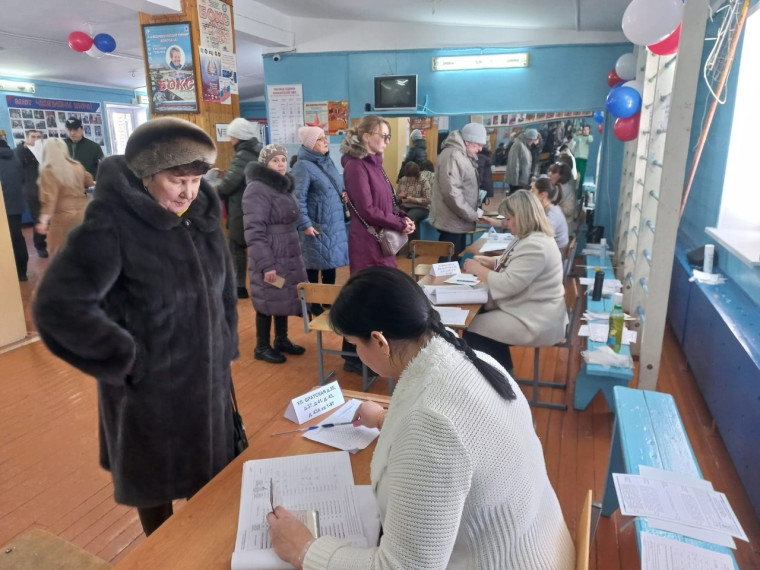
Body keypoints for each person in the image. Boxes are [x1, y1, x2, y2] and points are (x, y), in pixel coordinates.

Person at [266, 266, 575, 570]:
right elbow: (463, 442)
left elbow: (404, 567)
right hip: (538, 545)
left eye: (356, 344)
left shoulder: (432, 422)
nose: (358, 353)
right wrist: (385, 419)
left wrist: (305, 550)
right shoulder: (474, 358)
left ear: (380, 341)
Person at [32, 117, 239, 537]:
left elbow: (222, 290)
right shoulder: (112, 224)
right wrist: (122, 357)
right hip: (150, 394)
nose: (188, 192)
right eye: (177, 180)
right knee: (156, 498)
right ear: (147, 174)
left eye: (196, 180)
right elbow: (58, 305)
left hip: (208, 385)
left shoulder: (200, 216)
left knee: (211, 500)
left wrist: (223, 347)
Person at [339, 115, 415, 375]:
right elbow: (368, 210)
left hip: (380, 241)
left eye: (388, 136)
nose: (386, 140)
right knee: (364, 297)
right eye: (382, 135)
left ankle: (369, 353)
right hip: (367, 243)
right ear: (364, 136)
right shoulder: (356, 166)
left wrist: (403, 217)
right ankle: (353, 355)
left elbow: (388, 202)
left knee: (378, 297)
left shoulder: (376, 164)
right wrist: (397, 223)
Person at [463, 190, 567, 375]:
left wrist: (477, 269)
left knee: (473, 330)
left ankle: (503, 382)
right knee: (483, 324)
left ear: (522, 217)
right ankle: (504, 376)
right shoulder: (530, 238)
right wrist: (489, 262)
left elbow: (508, 283)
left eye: (509, 219)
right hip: (533, 309)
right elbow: (516, 266)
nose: (507, 224)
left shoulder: (535, 245)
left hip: (537, 319)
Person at [242, 143, 307, 364]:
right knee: (267, 299)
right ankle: (261, 346)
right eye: (274, 160)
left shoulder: (283, 186)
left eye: (282, 159)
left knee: (282, 295)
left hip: (286, 250)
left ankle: (281, 339)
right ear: (265, 163)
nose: (280, 164)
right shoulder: (257, 189)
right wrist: (266, 264)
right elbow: (254, 231)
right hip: (270, 252)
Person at [292, 126, 349, 317]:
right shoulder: (302, 166)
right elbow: (297, 198)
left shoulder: (327, 162)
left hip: (332, 221)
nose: (326, 142)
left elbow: (337, 184)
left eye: (325, 138)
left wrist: (344, 193)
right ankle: (313, 302)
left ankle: (328, 298)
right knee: (313, 265)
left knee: (329, 263)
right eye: (321, 139)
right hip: (316, 224)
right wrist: (305, 223)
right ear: (310, 144)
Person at [216, 117, 263, 299]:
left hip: (241, 208)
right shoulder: (259, 150)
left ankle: (239, 286)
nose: (230, 141)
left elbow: (230, 184)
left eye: (232, 137)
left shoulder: (243, 154)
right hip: (258, 205)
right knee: (258, 245)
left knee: (236, 245)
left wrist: (214, 194)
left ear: (239, 137)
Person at [429, 122, 485, 256]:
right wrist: (472, 214)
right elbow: (452, 193)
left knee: (455, 261)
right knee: (448, 265)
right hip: (452, 221)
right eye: (478, 145)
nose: (480, 149)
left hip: (458, 220)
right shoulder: (453, 155)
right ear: (467, 142)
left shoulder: (462, 154)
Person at [35, 138, 94, 256]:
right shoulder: (77, 166)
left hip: (62, 219)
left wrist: (43, 221)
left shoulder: (48, 171)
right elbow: (90, 181)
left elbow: (49, 200)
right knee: (83, 250)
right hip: (83, 214)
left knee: (59, 254)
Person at [14, 129, 48, 257]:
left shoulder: (44, 151)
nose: (36, 139)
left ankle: (46, 243)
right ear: (26, 138)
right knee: (38, 218)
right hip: (31, 191)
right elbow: (17, 171)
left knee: (48, 218)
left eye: (38, 137)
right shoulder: (20, 151)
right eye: (33, 137)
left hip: (46, 189)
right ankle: (40, 246)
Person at [0, 139, 28, 281]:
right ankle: (22, 271)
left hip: (3, 204)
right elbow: (22, 179)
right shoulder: (15, 159)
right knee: (17, 237)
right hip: (16, 204)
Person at [395, 161, 431, 245]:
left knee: (411, 217)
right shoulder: (403, 180)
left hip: (422, 207)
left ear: (416, 174)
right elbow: (396, 198)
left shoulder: (423, 181)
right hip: (405, 205)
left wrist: (412, 199)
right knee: (394, 214)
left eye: (412, 177)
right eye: (408, 177)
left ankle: (414, 247)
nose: (410, 179)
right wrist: (400, 197)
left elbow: (428, 200)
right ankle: (396, 245)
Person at [532, 177, 569, 255]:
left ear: (542, 195)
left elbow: (541, 236)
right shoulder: (548, 208)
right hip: (549, 250)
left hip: (554, 253)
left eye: (533, 191)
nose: (531, 194)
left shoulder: (552, 214)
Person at [506, 128, 539, 194]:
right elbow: (514, 164)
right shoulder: (518, 145)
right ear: (530, 139)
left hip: (521, 181)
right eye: (533, 140)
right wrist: (514, 183)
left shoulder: (524, 145)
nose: (533, 142)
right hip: (517, 182)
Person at [548, 161, 578, 232]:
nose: (549, 174)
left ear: (561, 176)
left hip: (563, 228)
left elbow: (547, 204)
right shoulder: (566, 185)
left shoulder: (560, 189)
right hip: (565, 225)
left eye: (553, 172)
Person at [574, 124, 594, 191]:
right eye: (584, 129)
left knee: (581, 176)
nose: (585, 131)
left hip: (583, 158)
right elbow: (574, 138)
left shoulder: (589, 137)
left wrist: (587, 134)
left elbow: (590, 140)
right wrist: (578, 133)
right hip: (576, 157)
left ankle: (579, 194)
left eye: (587, 129)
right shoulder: (579, 136)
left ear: (589, 130)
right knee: (574, 174)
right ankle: (573, 190)